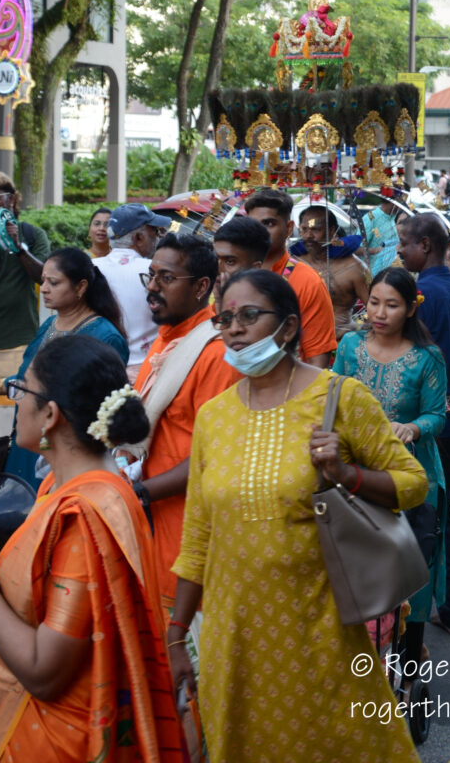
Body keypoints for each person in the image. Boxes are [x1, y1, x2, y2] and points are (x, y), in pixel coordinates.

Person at [169, 269, 428, 763]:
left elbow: (413, 485)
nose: (235, 328)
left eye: (249, 316)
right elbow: (198, 536)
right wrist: (177, 633)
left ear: (288, 328)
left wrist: (345, 474)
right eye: (224, 319)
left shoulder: (338, 397)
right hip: (234, 635)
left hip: (320, 629)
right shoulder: (214, 416)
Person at [0, 335, 183, 760]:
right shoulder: (70, 486)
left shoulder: (86, 513)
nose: (15, 401)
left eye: (22, 389)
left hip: (59, 737)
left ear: (50, 414)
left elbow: (44, 671)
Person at [333, 266, 448, 664]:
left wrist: (413, 428)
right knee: (358, 564)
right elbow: (333, 397)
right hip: (357, 474)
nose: (379, 313)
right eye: (374, 303)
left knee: (412, 564)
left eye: (392, 305)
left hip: (412, 474)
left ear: (411, 309)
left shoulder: (427, 357)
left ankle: (410, 653)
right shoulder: (349, 346)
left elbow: (438, 415)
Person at [134, 231, 238, 612]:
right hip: (152, 520)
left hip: (186, 531)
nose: (153, 288)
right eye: (151, 275)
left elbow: (214, 457)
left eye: (166, 278)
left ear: (202, 288)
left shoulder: (215, 353)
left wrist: (139, 493)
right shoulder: (167, 338)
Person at [0, 247, 128, 487]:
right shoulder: (49, 324)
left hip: (61, 454)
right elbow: (29, 378)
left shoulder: (104, 337)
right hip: (26, 442)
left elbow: (97, 410)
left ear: (81, 287)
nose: (44, 288)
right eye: (44, 280)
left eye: (53, 282)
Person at [397, 213, 450, 634]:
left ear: (425, 245)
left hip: (423, 428)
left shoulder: (416, 296)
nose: (398, 251)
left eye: (404, 243)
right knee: (442, 518)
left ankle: (415, 618)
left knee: (422, 522)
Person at [243, 188, 337, 365]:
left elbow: (317, 360)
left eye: (269, 223)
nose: (259, 232)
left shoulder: (307, 281)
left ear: (288, 229)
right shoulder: (235, 275)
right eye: (253, 225)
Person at [0, 171, 50, 385]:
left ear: (13, 199)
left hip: (20, 340)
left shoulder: (33, 235)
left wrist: (19, 248)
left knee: (14, 401)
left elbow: (43, 278)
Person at [94, 202, 172, 381]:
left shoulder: (90, 268)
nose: (157, 237)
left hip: (97, 368)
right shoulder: (155, 272)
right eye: (154, 231)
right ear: (139, 238)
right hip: (146, 371)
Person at [294, 205, 370, 339]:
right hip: (301, 345)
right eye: (304, 229)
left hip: (340, 343)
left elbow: (375, 309)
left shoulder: (356, 267)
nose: (308, 236)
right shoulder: (292, 264)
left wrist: (356, 330)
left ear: (331, 231)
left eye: (315, 230)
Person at [362, 197, 403, 274]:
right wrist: (376, 250)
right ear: (395, 201)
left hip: (393, 273)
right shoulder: (370, 218)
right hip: (374, 274)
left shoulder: (397, 217)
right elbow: (357, 249)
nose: (401, 206)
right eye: (400, 202)